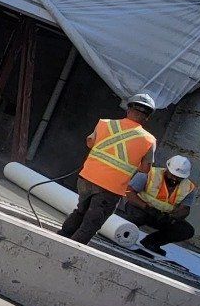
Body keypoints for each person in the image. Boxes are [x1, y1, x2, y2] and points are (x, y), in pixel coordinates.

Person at [56, 93, 157, 243]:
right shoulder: (149, 140)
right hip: (111, 188)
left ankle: (61, 237)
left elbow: (90, 143)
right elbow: (145, 169)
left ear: (128, 109)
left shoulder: (105, 123)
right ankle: (69, 249)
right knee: (91, 223)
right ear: (148, 117)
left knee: (81, 211)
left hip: (86, 178)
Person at [120, 155, 196, 256]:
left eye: (179, 178)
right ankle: (123, 232)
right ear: (167, 169)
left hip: (163, 217)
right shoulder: (150, 174)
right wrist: (146, 207)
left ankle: (151, 242)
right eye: (172, 175)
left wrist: (172, 217)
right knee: (138, 216)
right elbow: (129, 191)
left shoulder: (189, 187)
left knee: (186, 230)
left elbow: (185, 209)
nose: (174, 179)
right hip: (141, 209)